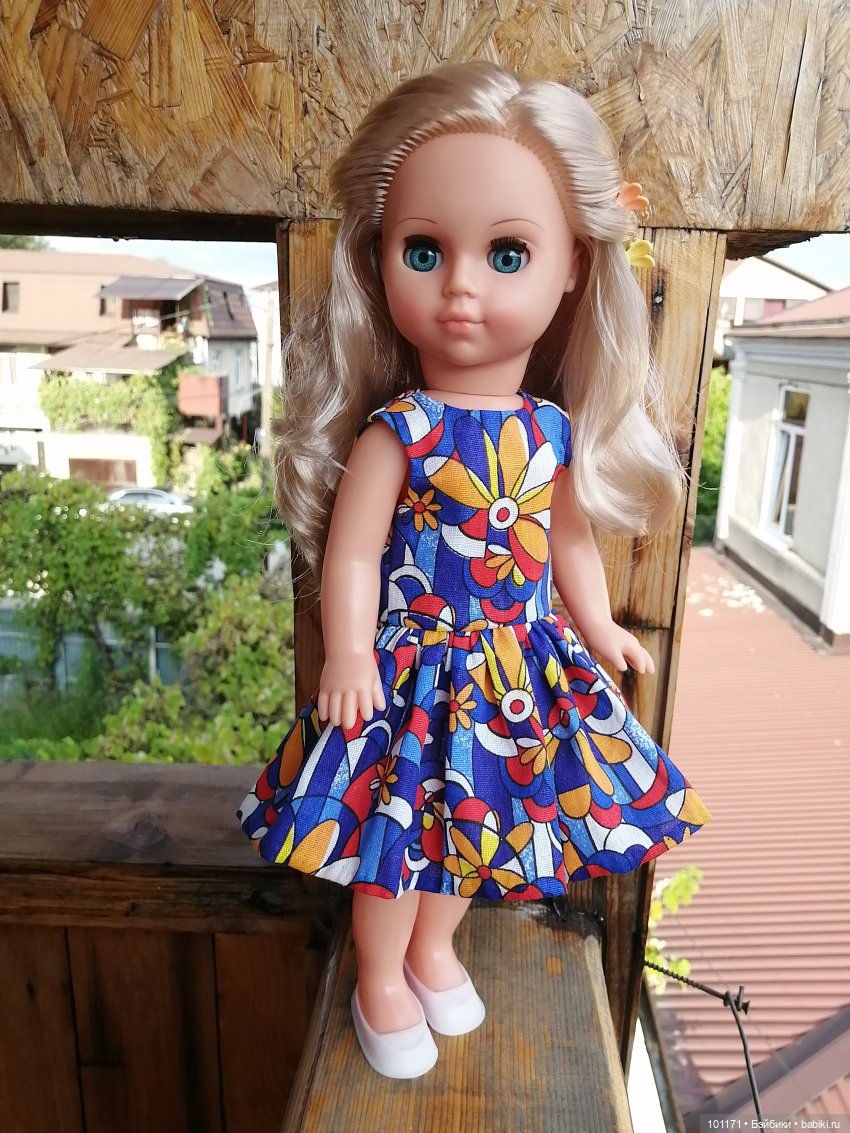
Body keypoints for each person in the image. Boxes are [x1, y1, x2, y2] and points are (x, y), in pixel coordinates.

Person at [237, 61, 710, 1079]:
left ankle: (431, 948)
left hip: (511, 672)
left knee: (472, 827)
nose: (460, 286)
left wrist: (597, 625)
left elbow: (569, 542)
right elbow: (353, 550)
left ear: (572, 265)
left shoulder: (548, 431)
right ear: (379, 260)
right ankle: (379, 975)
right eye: (424, 250)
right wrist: (349, 651)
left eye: (506, 253)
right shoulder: (400, 429)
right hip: (409, 673)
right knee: (395, 839)